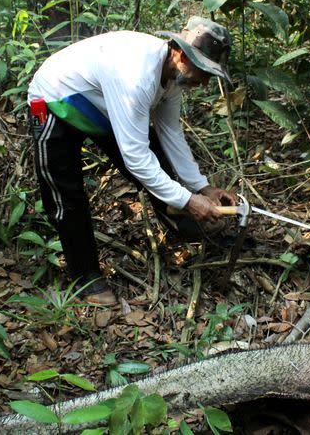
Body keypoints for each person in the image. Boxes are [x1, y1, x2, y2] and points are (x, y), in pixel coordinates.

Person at [27, 16, 237, 304]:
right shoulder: (136, 75)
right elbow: (136, 159)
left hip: (101, 107)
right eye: (203, 72)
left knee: (158, 159)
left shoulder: (174, 77)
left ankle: (189, 229)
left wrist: (202, 188)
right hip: (55, 99)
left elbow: (170, 133)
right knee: (66, 193)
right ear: (180, 53)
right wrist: (188, 200)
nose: (203, 83)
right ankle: (85, 276)